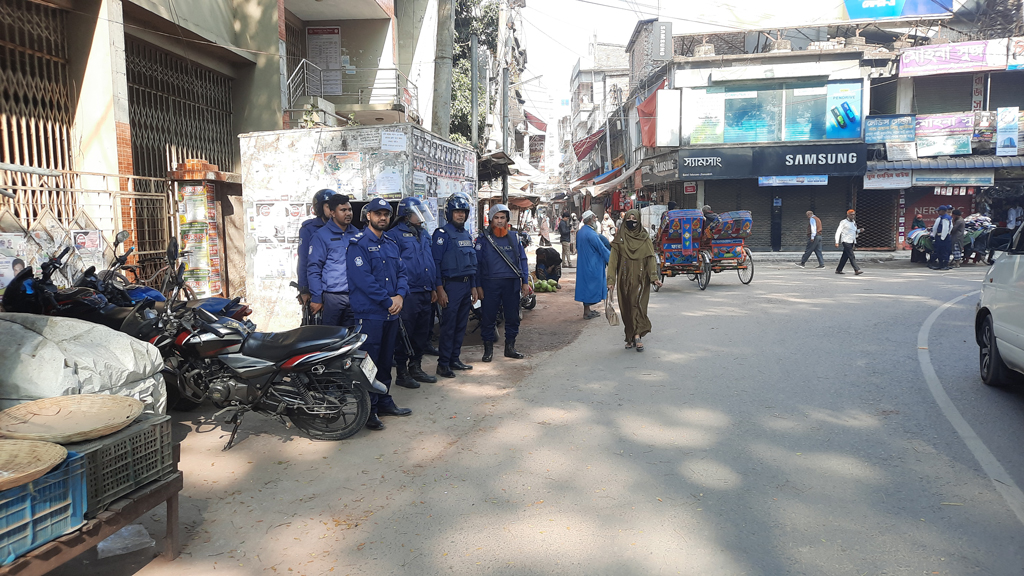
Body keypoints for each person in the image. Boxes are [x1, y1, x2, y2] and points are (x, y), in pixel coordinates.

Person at [347, 198, 412, 431]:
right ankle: (370, 410)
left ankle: (384, 401)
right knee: (369, 364)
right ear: (368, 216)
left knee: (385, 362)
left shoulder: (391, 244)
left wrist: (401, 297)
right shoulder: (358, 244)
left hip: (391, 315)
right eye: (378, 214)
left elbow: (403, 273)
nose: (382, 217)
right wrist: (388, 301)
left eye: (386, 214)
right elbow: (363, 280)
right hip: (371, 314)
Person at [384, 197, 438, 389]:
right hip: (408, 292)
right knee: (405, 333)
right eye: (417, 213)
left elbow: (430, 261)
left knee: (422, 333)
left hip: (425, 290)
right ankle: (402, 371)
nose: (421, 217)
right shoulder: (393, 235)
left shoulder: (424, 234)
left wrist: (433, 287)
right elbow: (392, 267)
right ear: (406, 215)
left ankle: (416, 366)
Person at [475, 204, 531, 362]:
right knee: (488, 318)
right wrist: (478, 286)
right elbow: (477, 264)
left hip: (511, 283)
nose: (499, 221)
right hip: (489, 284)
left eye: (502, 218)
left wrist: (525, 281)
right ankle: (488, 351)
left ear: (507, 219)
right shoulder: (483, 239)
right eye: (496, 218)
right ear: (491, 220)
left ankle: (510, 347)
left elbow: (523, 260)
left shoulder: (514, 237)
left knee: (512, 317)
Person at [431, 192, 478, 378]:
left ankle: (454, 359)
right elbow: (435, 263)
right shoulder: (441, 234)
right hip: (450, 287)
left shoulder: (466, 234)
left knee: (461, 325)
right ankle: (443, 364)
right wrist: (439, 289)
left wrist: (474, 286)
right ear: (449, 213)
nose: (460, 215)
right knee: (448, 326)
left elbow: (472, 264)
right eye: (457, 212)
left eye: (463, 212)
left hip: (466, 286)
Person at [607, 209, 661, 352]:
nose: (632, 221)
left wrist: (654, 277)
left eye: (634, 218)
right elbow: (612, 262)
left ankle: (637, 336)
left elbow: (650, 259)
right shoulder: (619, 240)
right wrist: (611, 281)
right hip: (624, 281)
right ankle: (629, 335)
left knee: (637, 305)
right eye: (629, 219)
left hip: (641, 280)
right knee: (627, 308)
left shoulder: (644, 238)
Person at [306, 194, 359, 325]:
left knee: (352, 338)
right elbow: (314, 268)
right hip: (332, 298)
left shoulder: (357, 234)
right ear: (333, 213)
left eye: (350, 210)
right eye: (343, 210)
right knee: (329, 338)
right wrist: (317, 298)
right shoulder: (321, 235)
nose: (348, 213)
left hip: (355, 296)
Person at [296, 189, 337, 311]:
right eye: (328, 206)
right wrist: (304, 289)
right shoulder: (309, 229)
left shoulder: (345, 228)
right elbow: (304, 260)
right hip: (316, 287)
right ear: (319, 208)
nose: (332, 210)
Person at [575, 210, 611, 320]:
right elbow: (602, 248)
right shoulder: (591, 234)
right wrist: (612, 260)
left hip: (583, 264)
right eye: (594, 218)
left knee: (585, 287)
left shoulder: (580, 232)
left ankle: (587, 310)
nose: (596, 220)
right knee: (592, 287)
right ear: (590, 220)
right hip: (592, 265)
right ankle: (587, 312)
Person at [834, 209, 864, 275]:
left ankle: (839, 269)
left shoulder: (853, 222)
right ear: (847, 215)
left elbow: (854, 231)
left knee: (845, 256)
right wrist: (837, 241)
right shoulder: (843, 222)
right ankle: (856, 269)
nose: (853, 216)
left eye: (853, 214)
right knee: (851, 255)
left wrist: (859, 230)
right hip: (846, 241)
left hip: (852, 241)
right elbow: (838, 231)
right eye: (851, 215)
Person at [930, 205, 953, 270]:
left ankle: (944, 265)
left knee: (943, 251)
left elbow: (945, 229)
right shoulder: (943, 217)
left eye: (939, 211)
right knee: (941, 251)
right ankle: (941, 264)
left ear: (943, 211)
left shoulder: (945, 218)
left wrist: (942, 238)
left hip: (942, 237)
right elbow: (935, 227)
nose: (938, 212)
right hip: (942, 236)